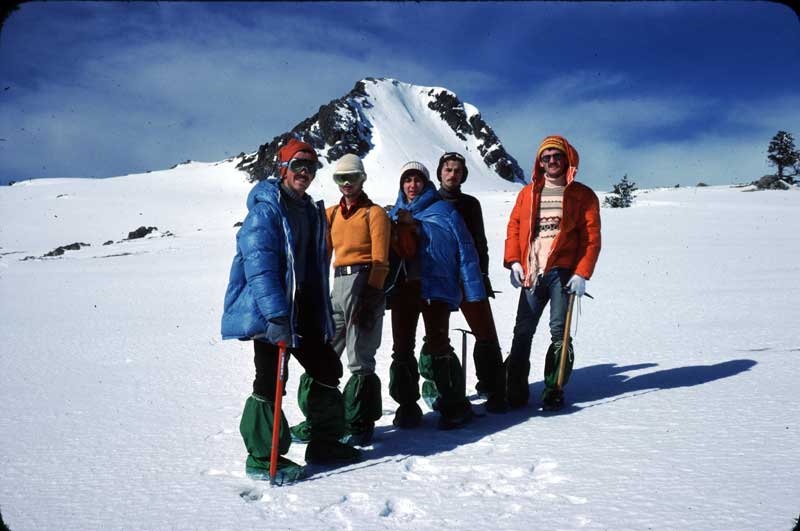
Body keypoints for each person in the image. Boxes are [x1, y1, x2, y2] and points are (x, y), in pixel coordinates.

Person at [221, 138, 360, 484]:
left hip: (305, 311)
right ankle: (262, 457)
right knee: (269, 382)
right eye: (298, 165)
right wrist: (277, 316)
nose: (304, 173)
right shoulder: (266, 210)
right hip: (273, 313)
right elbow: (259, 266)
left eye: (310, 167)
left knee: (328, 368)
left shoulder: (311, 211)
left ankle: (324, 442)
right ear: (283, 168)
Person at [385, 161, 486, 430]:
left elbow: (466, 249)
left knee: (439, 344)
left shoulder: (443, 211)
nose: (412, 185)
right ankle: (407, 406)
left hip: (435, 288)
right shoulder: (393, 213)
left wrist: (473, 289)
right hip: (403, 290)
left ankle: (454, 404)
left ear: (426, 183)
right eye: (407, 179)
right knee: (401, 349)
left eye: (417, 179)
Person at [503, 135, 601, 411]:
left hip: (563, 272)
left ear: (567, 158)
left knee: (560, 331)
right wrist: (514, 261)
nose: (552, 161)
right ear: (539, 162)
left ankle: (553, 388)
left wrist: (582, 273)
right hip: (533, 272)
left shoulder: (582, 195)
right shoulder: (528, 192)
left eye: (557, 156)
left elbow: (591, 238)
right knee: (522, 330)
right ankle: (515, 388)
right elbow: (515, 228)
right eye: (546, 157)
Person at [325, 154, 391, 446]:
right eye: (341, 178)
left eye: (352, 177)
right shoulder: (332, 214)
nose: (347, 183)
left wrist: (371, 296)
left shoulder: (374, 213)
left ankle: (361, 421)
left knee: (360, 354)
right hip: (337, 283)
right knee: (326, 353)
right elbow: (323, 254)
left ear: (363, 178)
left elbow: (380, 260)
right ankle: (325, 418)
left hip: (364, 282)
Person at [436, 152, 507, 413]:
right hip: (440, 278)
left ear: (463, 175)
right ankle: (444, 390)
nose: (452, 174)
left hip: (468, 276)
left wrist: (483, 275)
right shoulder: (428, 201)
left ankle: (493, 386)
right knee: (436, 336)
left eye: (457, 170)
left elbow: (481, 243)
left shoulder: (471, 204)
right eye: (447, 169)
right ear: (440, 173)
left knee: (485, 333)